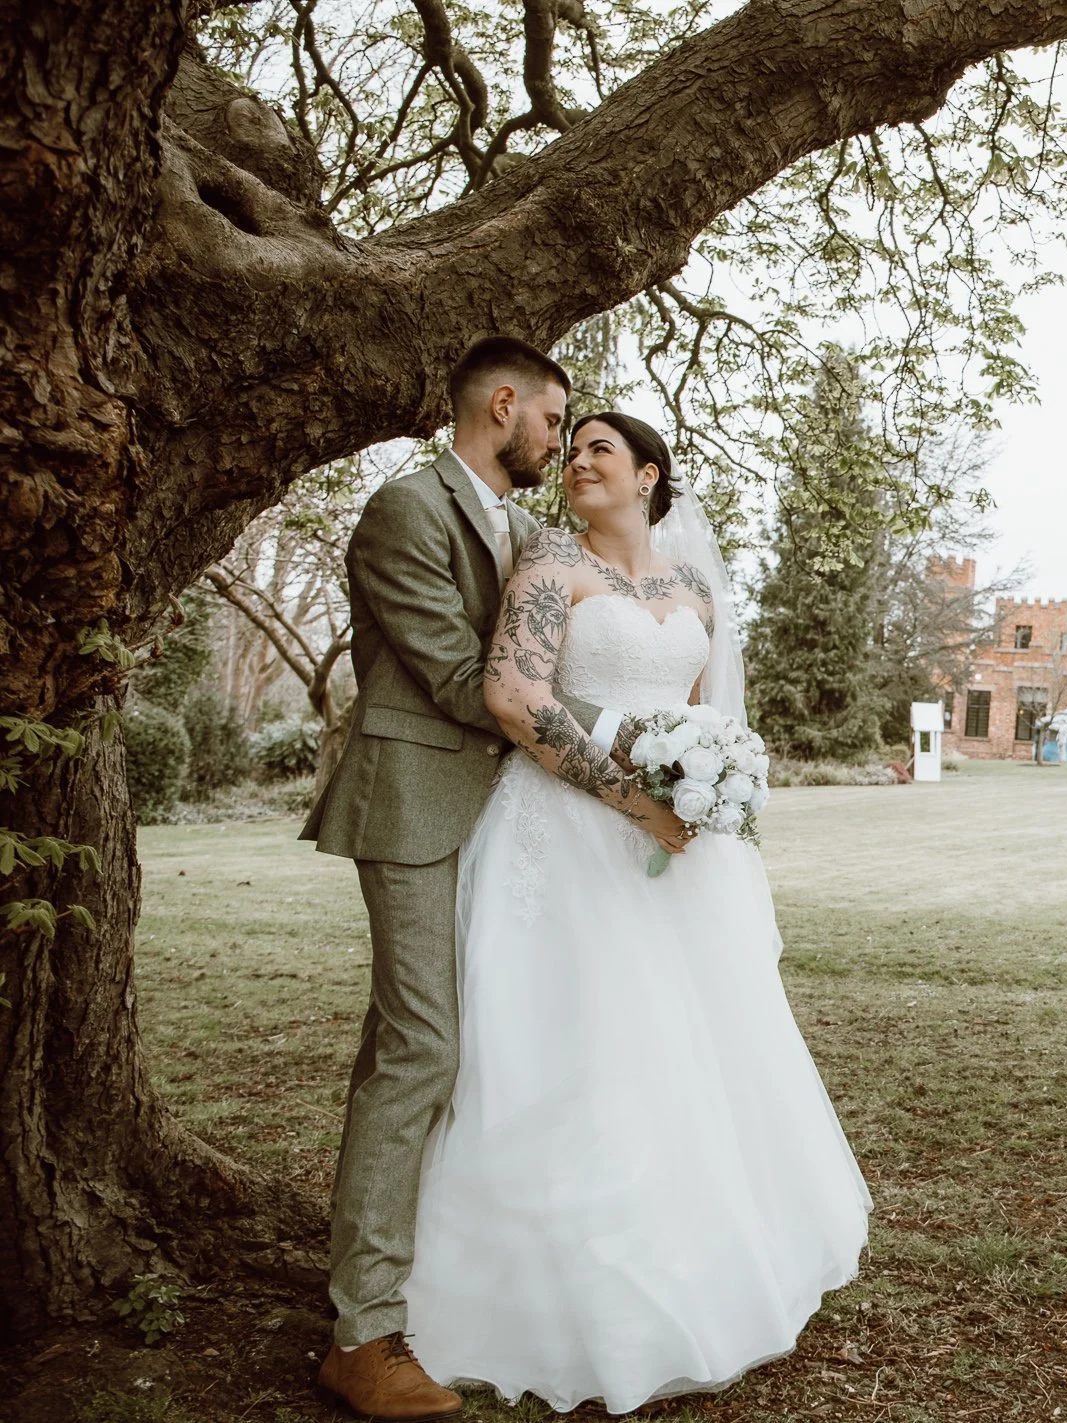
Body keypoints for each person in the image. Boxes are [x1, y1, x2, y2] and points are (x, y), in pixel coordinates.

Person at [399, 410, 870, 1414]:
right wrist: (630, 792)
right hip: (566, 833)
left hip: (676, 847)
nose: (575, 462)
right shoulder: (545, 570)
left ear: (650, 475)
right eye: (567, 450)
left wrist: (712, 782)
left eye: (597, 450)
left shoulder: (695, 587)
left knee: (687, 1043)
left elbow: (703, 714)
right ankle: (552, 1288)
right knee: (571, 1042)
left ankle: (710, 1253)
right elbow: (516, 696)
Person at [306, 339, 696, 1419]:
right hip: (416, 802)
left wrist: (686, 742)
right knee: (422, 1043)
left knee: (460, 1042)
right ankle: (364, 1332)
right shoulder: (405, 511)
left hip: (504, 815)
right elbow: (458, 673)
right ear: (506, 404)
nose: (562, 443)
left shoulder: (515, 525)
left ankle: (432, 1266)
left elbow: (575, 607)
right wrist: (617, 760)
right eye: (555, 422)